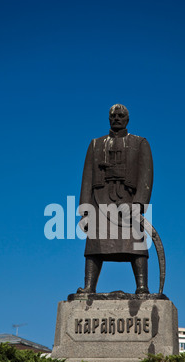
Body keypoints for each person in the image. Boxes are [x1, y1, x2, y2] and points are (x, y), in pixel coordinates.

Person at [77, 104, 153, 294]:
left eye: (121, 115)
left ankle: (142, 286)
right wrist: (85, 212)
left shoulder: (140, 142)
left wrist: (139, 203)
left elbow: (146, 175)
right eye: (113, 115)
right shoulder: (96, 144)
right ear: (108, 119)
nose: (117, 118)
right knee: (95, 245)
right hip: (99, 199)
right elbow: (87, 178)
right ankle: (89, 286)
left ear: (127, 119)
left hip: (128, 201)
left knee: (136, 244)